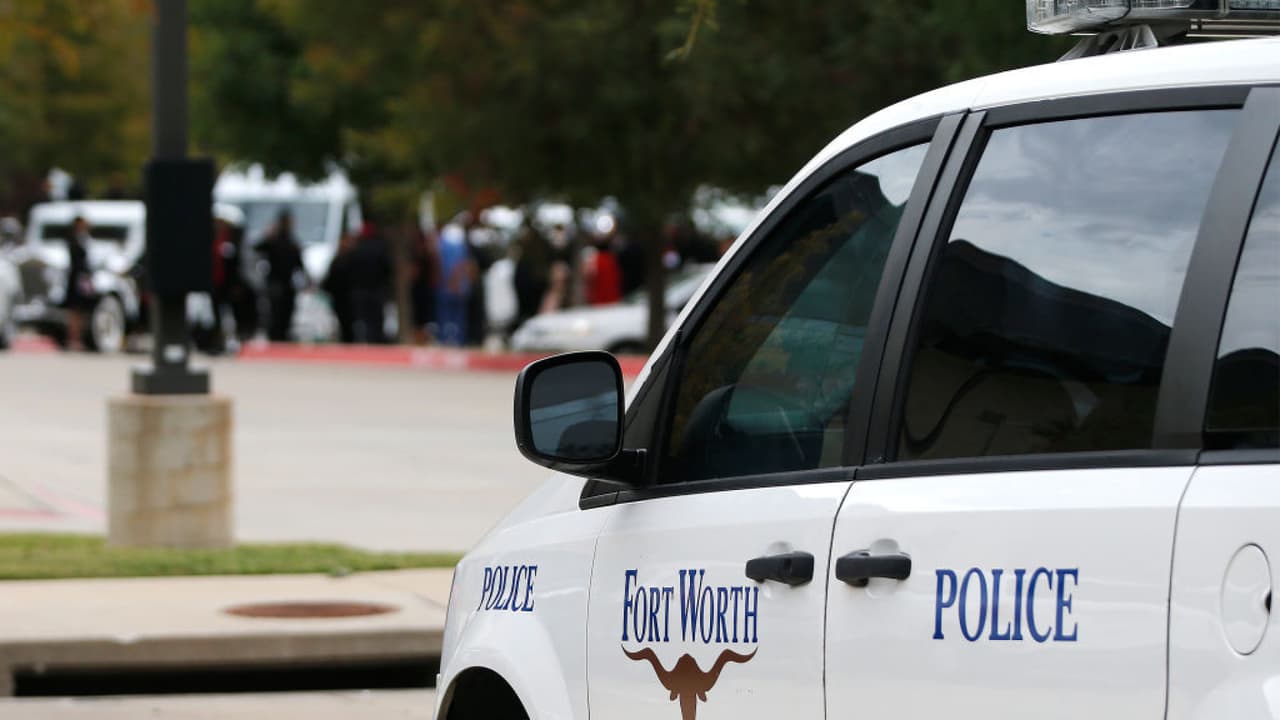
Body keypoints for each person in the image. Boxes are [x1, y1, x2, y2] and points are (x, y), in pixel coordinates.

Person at [256, 210, 305, 342]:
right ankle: (275, 337)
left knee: (285, 314)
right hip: (275, 282)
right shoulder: (274, 240)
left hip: (287, 283)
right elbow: (257, 248)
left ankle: (282, 336)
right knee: (275, 314)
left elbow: (299, 264)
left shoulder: (292, 241)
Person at [347, 220, 393, 344]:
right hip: (377, 290)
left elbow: (350, 269)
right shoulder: (381, 247)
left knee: (364, 321)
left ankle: (366, 341)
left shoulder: (356, 248)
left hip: (360, 290)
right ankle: (376, 341)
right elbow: (387, 269)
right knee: (377, 321)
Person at [436, 216, 475, 346]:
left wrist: (455, 282)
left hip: (453, 285)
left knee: (452, 315)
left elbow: (458, 265)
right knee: (452, 315)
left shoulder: (449, 242)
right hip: (453, 285)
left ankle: (452, 340)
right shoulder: (456, 242)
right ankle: (453, 340)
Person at [62, 216, 95, 350]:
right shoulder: (74, 240)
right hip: (77, 278)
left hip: (83, 278)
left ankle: (78, 338)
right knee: (75, 310)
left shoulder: (84, 238)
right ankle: (73, 339)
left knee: (82, 310)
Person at [322, 231, 357, 343]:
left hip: (344, 296)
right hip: (344, 296)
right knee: (346, 323)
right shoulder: (344, 259)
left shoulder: (342, 259)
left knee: (347, 323)